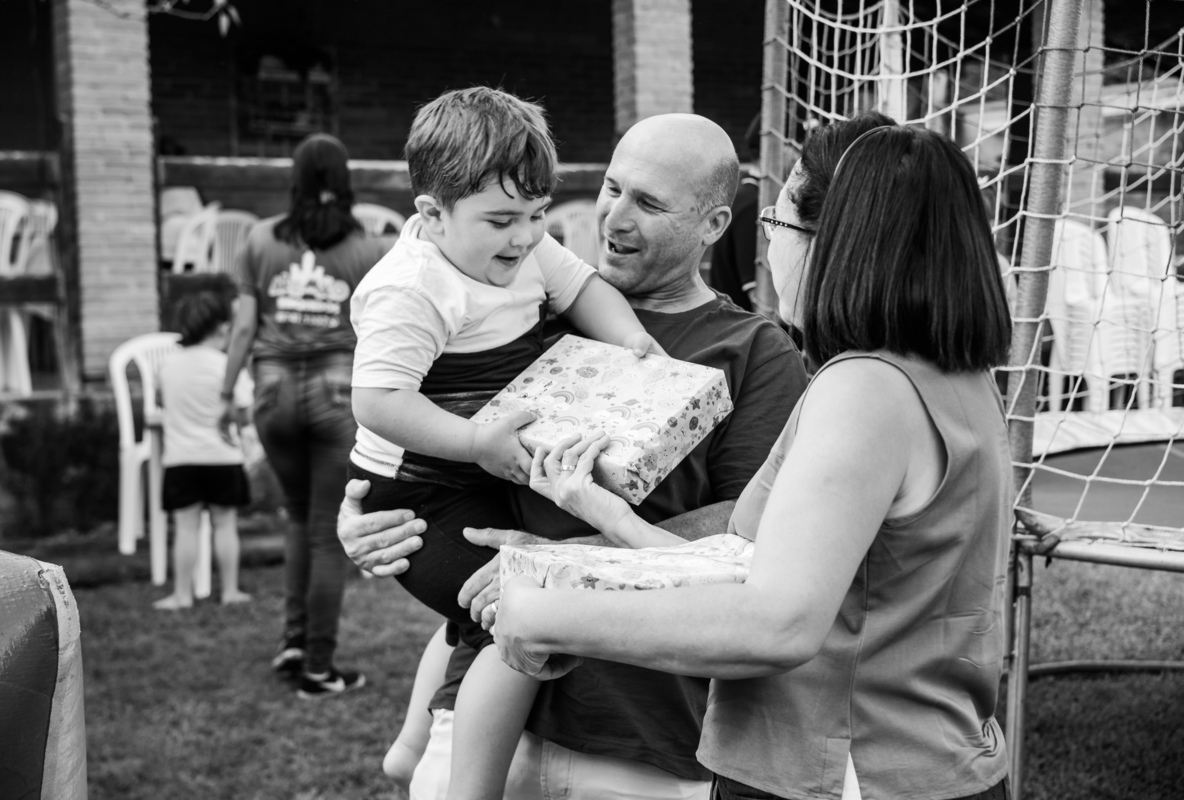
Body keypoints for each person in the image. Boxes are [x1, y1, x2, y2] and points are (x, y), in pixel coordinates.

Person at [494, 117, 1015, 800]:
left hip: (842, 770)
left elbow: (777, 623)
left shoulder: (865, 389)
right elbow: (752, 571)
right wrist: (604, 518)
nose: (769, 245)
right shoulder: (959, 379)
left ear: (835, 241)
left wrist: (544, 613)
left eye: (779, 222)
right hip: (921, 761)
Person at [340, 112, 810, 799]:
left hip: (641, 740)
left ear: (712, 225)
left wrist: (555, 564)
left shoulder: (754, 352)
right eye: (611, 188)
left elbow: (748, 536)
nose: (614, 217)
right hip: (478, 709)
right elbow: (404, 412)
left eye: (647, 203)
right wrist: (360, 519)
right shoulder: (520, 301)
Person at [348, 86, 664, 800]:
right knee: (511, 620)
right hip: (421, 489)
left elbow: (582, 288)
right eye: (500, 220)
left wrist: (634, 342)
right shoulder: (412, 289)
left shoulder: (525, 248)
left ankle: (408, 746)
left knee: (481, 603)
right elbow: (378, 399)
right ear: (431, 214)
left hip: (482, 464)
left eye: (535, 215)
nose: (524, 237)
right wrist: (474, 442)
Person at [220, 133, 390, 699]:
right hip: (336, 391)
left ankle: (294, 641)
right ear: (344, 182)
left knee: (296, 517)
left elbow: (244, 328)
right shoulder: (368, 250)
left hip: (271, 392)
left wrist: (226, 395)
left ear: (294, 179)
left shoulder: (259, 239)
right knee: (324, 532)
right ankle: (317, 667)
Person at [153, 288, 254, 610]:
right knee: (225, 524)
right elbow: (245, 411)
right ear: (223, 328)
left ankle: (182, 594)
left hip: (181, 459)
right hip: (223, 458)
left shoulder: (169, 366)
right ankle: (230, 591)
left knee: (185, 527)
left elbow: (160, 402)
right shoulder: (227, 365)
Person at [707, 113, 763, 313]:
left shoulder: (747, 194)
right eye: (797, 146)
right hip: (745, 334)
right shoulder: (752, 204)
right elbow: (760, 299)